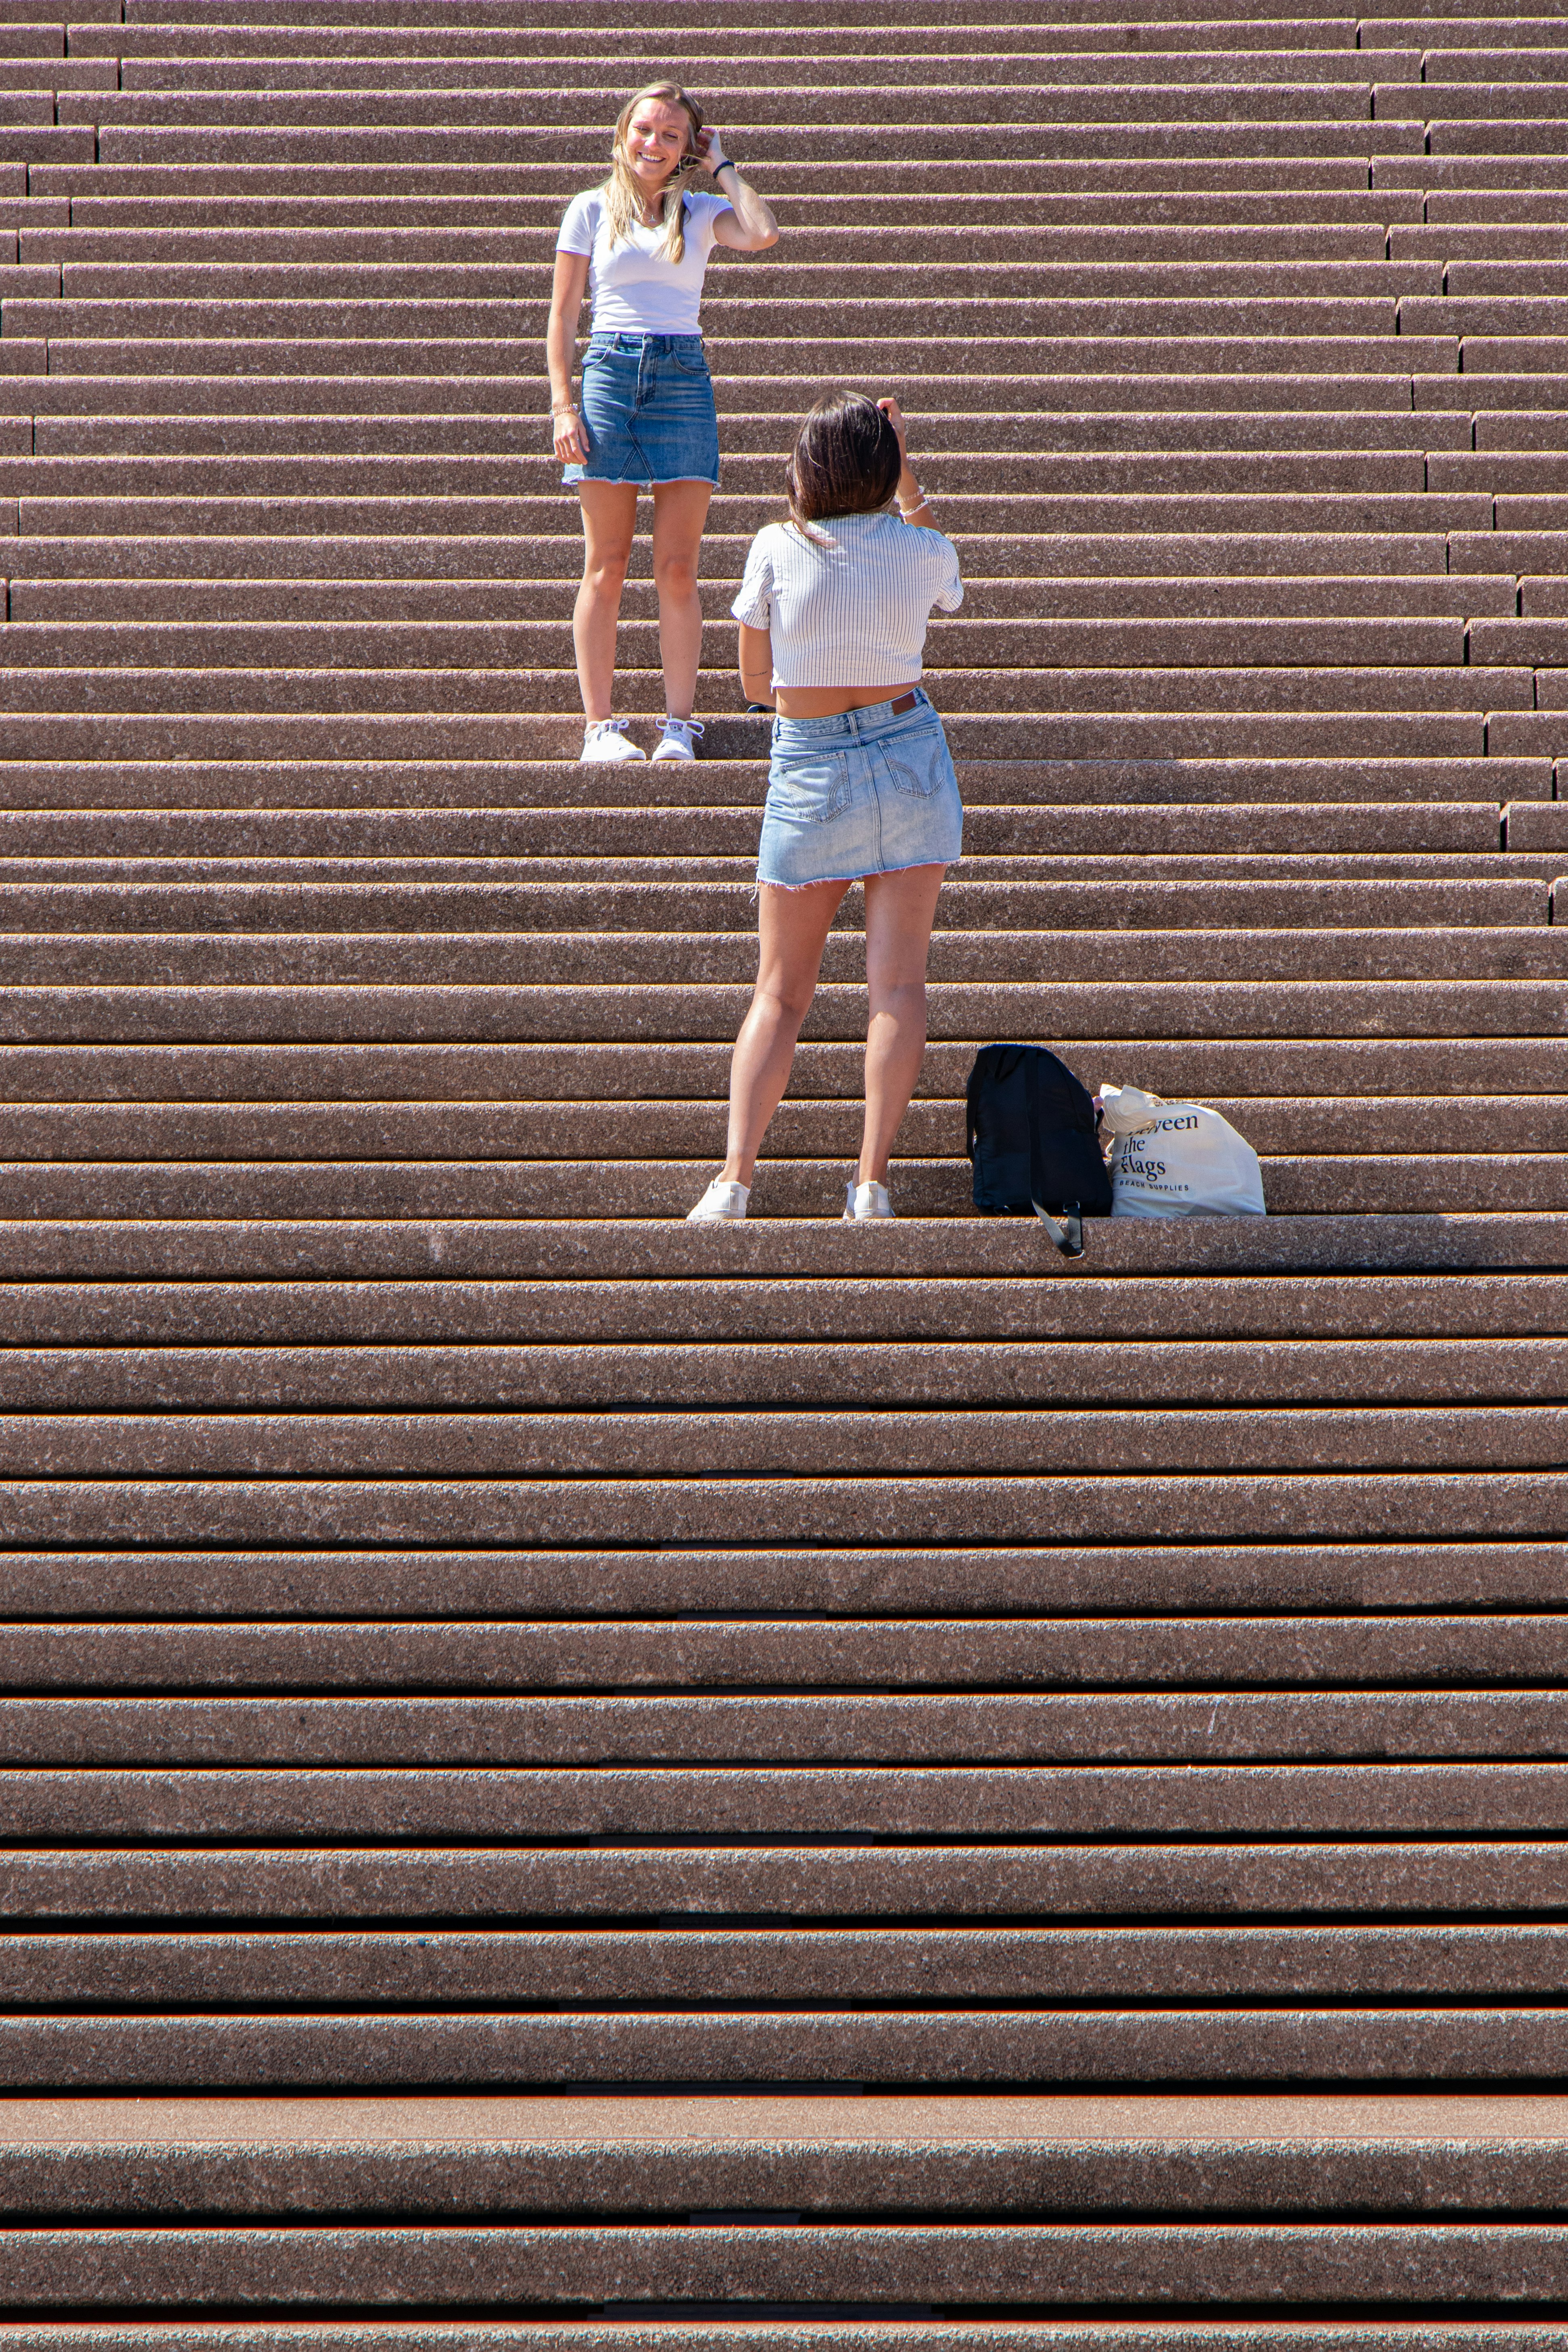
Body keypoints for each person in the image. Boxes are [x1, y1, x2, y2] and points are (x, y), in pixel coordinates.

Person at [687, 392, 964, 1224]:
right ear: (882, 467)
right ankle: (870, 1184)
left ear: (807, 470)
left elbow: (748, 686)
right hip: (909, 752)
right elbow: (937, 561)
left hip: (811, 767)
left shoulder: (777, 544)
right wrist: (904, 468)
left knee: (779, 992)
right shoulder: (923, 549)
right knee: (897, 987)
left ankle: (734, 1181)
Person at [547, 81, 778, 765]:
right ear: (623, 134)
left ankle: (680, 725)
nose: (653, 143)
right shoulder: (589, 210)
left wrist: (725, 166)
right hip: (610, 377)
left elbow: (764, 233)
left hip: (682, 379)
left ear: (686, 150)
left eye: (671, 135)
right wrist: (563, 403)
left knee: (678, 568)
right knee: (606, 566)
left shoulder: (702, 211)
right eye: (644, 129)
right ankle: (601, 726)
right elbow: (562, 318)